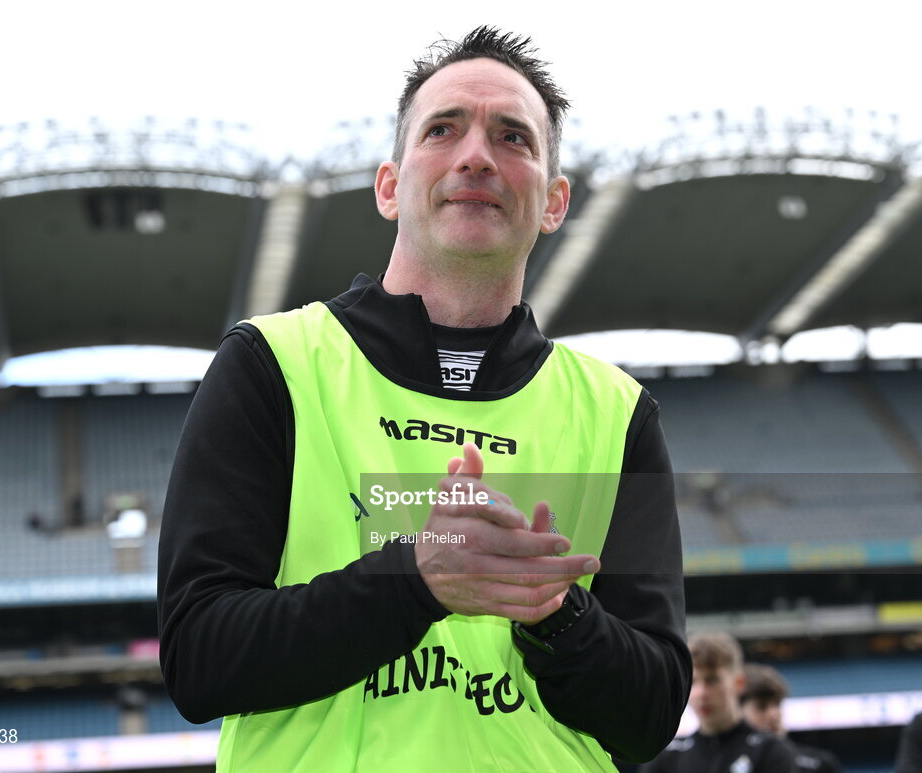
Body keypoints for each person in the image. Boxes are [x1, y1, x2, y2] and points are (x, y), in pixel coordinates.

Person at [158, 26, 691, 771]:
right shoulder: (272, 363)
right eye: (443, 129)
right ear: (389, 185)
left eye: (514, 137)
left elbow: (651, 715)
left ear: (554, 201)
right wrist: (414, 580)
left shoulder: (617, 411)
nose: (476, 155)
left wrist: (554, 612)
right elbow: (197, 658)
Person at [639, 632, 796, 772]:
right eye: (693, 682)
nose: (701, 693)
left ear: (738, 683)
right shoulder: (667, 758)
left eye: (712, 680)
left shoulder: (770, 751)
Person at [741, 663, 843, 773]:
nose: (774, 714)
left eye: (777, 704)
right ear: (738, 712)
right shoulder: (725, 760)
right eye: (762, 707)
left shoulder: (821, 765)